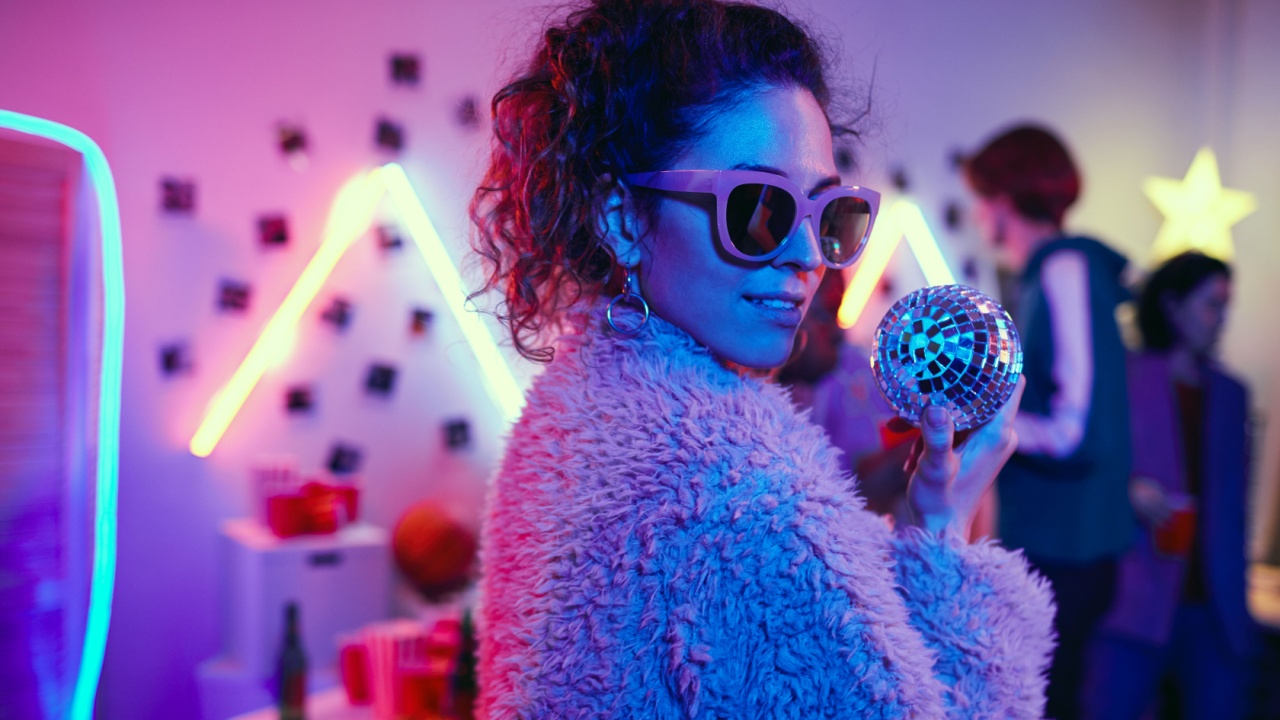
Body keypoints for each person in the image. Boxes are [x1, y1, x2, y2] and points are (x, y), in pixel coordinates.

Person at [472, 2, 1054, 716]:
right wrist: (943, 540)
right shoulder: (746, 492)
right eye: (758, 209)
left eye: (832, 215)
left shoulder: (565, 422)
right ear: (620, 218)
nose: (809, 256)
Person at [963, 124, 1134, 719]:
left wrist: (983, 421)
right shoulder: (1049, 272)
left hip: (1066, 547)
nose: (977, 214)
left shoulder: (1064, 268)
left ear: (1003, 198)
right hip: (1061, 543)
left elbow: (1074, 430)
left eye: (981, 197)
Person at [1086, 252, 1255, 719]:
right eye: (1212, 304)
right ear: (1172, 305)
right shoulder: (1124, 374)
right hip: (1133, 593)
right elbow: (1090, 466)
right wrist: (1126, 491)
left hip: (1213, 604)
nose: (1221, 319)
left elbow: (1237, 507)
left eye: (1226, 306)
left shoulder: (1231, 394)